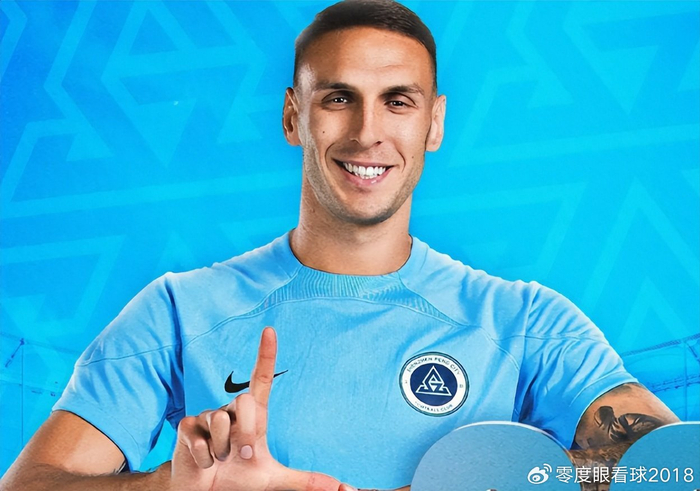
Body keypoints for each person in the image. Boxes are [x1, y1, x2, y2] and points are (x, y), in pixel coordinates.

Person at [0, 1, 679, 490]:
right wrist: (169, 488)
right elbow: (28, 483)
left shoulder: (525, 323)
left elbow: (675, 469)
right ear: (293, 115)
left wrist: (515, 478)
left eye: (398, 101)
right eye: (338, 99)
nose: (367, 133)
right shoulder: (180, 310)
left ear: (434, 122)